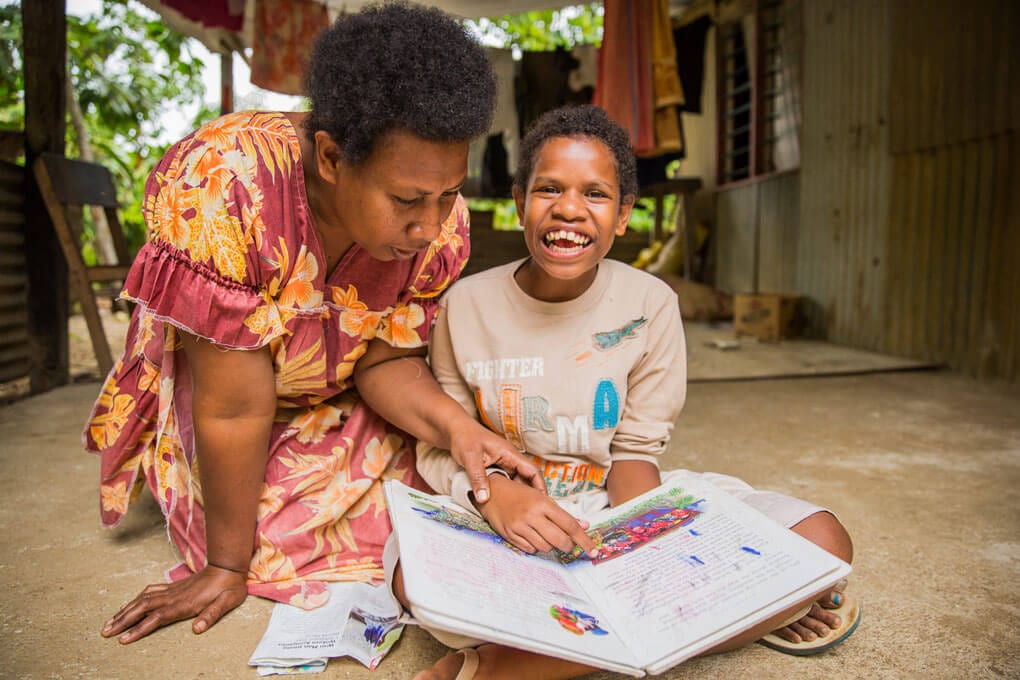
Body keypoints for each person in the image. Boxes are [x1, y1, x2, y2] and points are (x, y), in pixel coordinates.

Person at [87, 1, 553, 646]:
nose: (429, 227)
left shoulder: (440, 225)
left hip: (332, 390)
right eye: (407, 200)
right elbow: (232, 409)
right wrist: (225, 566)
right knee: (264, 543)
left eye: (449, 192)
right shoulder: (226, 186)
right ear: (331, 159)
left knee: (440, 491)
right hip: (225, 395)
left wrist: (458, 430)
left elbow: (384, 359)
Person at [394, 105, 860, 680]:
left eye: (595, 194)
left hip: (615, 505)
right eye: (548, 189)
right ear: (519, 203)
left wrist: (638, 541)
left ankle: (502, 667)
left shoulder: (651, 303)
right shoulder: (466, 303)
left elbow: (636, 453)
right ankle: (730, 617)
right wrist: (498, 496)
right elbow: (447, 444)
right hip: (505, 513)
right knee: (411, 581)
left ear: (622, 215)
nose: (569, 209)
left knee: (822, 542)